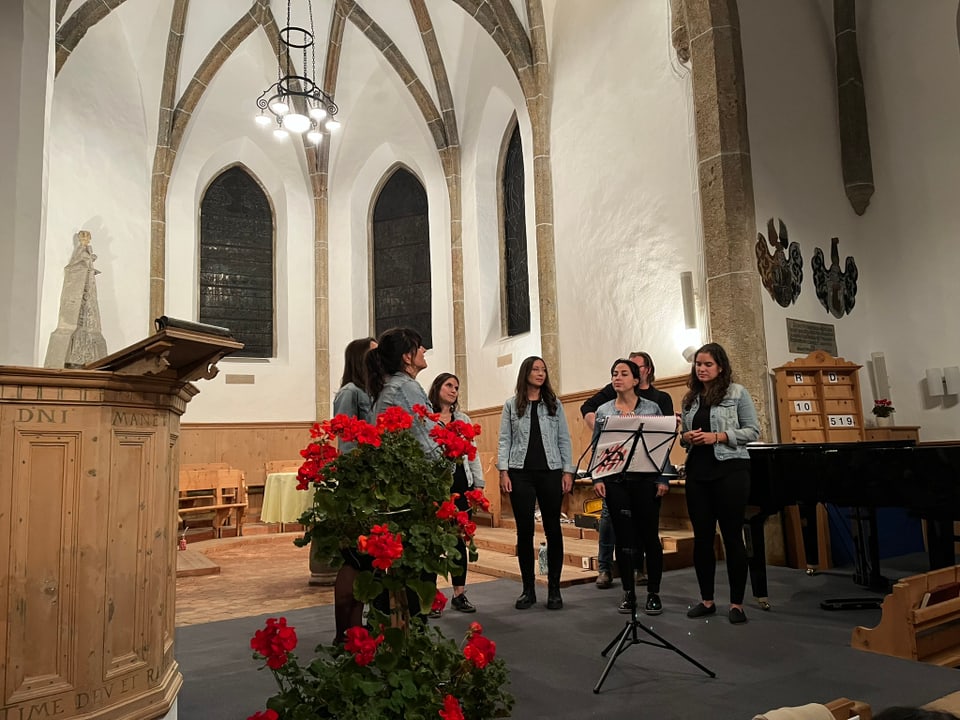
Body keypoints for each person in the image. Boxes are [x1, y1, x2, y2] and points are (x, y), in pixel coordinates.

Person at [680, 342, 760, 625]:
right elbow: (684, 435)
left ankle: (737, 603)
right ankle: (707, 600)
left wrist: (719, 437)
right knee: (702, 539)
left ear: (721, 367)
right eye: (698, 364)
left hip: (730, 471)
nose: (701, 369)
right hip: (698, 473)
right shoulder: (689, 398)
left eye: (707, 364)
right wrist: (686, 438)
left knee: (731, 536)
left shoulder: (737, 393)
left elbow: (753, 430)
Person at [580, 351, 674, 589]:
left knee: (650, 536)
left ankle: (654, 591)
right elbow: (598, 447)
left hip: (645, 478)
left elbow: (661, 445)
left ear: (636, 380)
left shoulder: (652, 407)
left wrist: (663, 477)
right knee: (622, 538)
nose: (617, 378)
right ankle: (628, 593)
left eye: (623, 374)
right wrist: (597, 478)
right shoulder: (603, 411)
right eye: (614, 374)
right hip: (616, 479)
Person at [365, 327, 438, 617]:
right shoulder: (405, 388)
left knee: (394, 567)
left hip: (394, 486)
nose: (424, 351)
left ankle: (390, 633)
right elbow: (425, 438)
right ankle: (412, 635)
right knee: (417, 567)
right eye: (420, 347)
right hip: (411, 487)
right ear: (408, 357)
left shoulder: (389, 386)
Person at [497, 356, 574, 610]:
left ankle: (554, 589)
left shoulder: (554, 403)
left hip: (550, 471)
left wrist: (567, 471)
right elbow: (504, 440)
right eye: (535, 369)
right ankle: (528, 589)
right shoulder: (512, 405)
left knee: (553, 528)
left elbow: (564, 438)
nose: (540, 374)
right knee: (525, 530)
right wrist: (504, 471)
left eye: (543, 370)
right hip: (520, 473)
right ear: (525, 373)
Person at [330, 336, 377, 643]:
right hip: (356, 484)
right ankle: (342, 631)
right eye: (374, 353)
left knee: (367, 561)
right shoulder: (350, 392)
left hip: (373, 483)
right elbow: (346, 442)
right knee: (354, 559)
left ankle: (357, 626)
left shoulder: (371, 392)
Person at [428, 372, 484, 614]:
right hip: (437, 485)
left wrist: (478, 484)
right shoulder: (427, 418)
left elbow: (473, 452)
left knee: (459, 540)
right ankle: (429, 597)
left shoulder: (463, 419)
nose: (453, 390)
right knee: (432, 542)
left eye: (457, 387)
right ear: (438, 387)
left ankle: (459, 594)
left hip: (462, 485)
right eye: (448, 385)